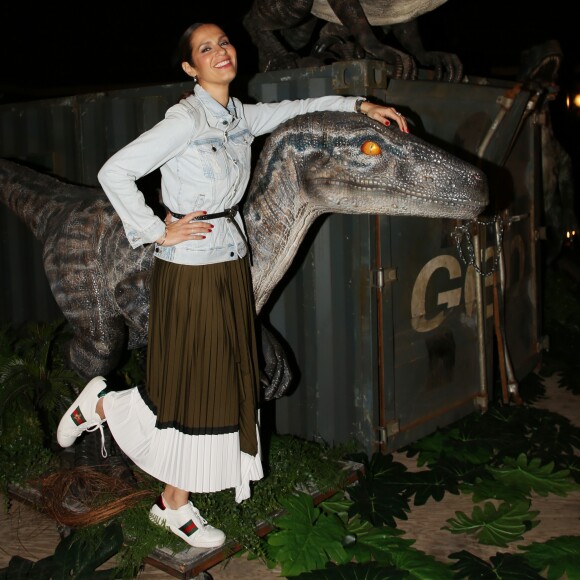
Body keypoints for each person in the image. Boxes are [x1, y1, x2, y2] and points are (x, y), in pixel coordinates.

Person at [56, 22, 409, 550]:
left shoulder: (239, 116)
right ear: (189, 68)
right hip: (190, 266)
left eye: (223, 43)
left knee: (216, 385)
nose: (220, 51)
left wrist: (360, 106)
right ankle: (104, 409)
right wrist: (157, 229)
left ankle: (171, 501)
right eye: (205, 48)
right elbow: (116, 172)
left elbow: (297, 110)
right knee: (190, 387)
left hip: (227, 263)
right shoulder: (186, 119)